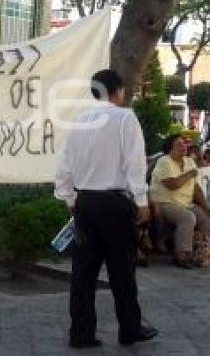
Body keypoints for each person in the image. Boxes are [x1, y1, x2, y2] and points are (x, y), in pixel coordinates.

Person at [54, 69, 157, 348]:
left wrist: (71, 201)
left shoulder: (78, 123)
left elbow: (63, 168)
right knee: (122, 271)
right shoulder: (124, 117)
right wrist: (142, 202)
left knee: (83, 273)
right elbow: (135, 162)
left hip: (85, 202)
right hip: (114, 204)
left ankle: (81, 334)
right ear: (118, 91)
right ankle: (130, 329)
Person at [149, 134, 210, 268]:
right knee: (187, 218)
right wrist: (190, 174)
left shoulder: (189, 162)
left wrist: (206, 206)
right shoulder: (165, 161)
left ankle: (202, 254)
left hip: (186, 203)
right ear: (170, 148)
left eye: (184, 143)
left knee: (205, 219)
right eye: (179, 144)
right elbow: (172, 184)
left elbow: (195, 188)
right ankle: (182, 255)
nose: (184, 146)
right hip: (164, 203)